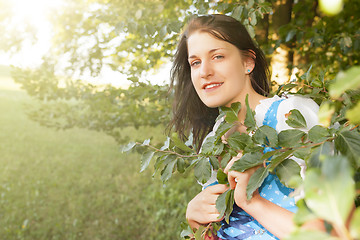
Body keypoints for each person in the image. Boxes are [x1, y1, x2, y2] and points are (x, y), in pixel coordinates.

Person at [169, 14, 322, 240]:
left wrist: (252, 202)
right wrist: (195, 221)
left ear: (247, 62)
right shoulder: (214, 139)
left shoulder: (290, 115)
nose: (204, 72)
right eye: (195, 62)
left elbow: (336, 233)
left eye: (218, 56)